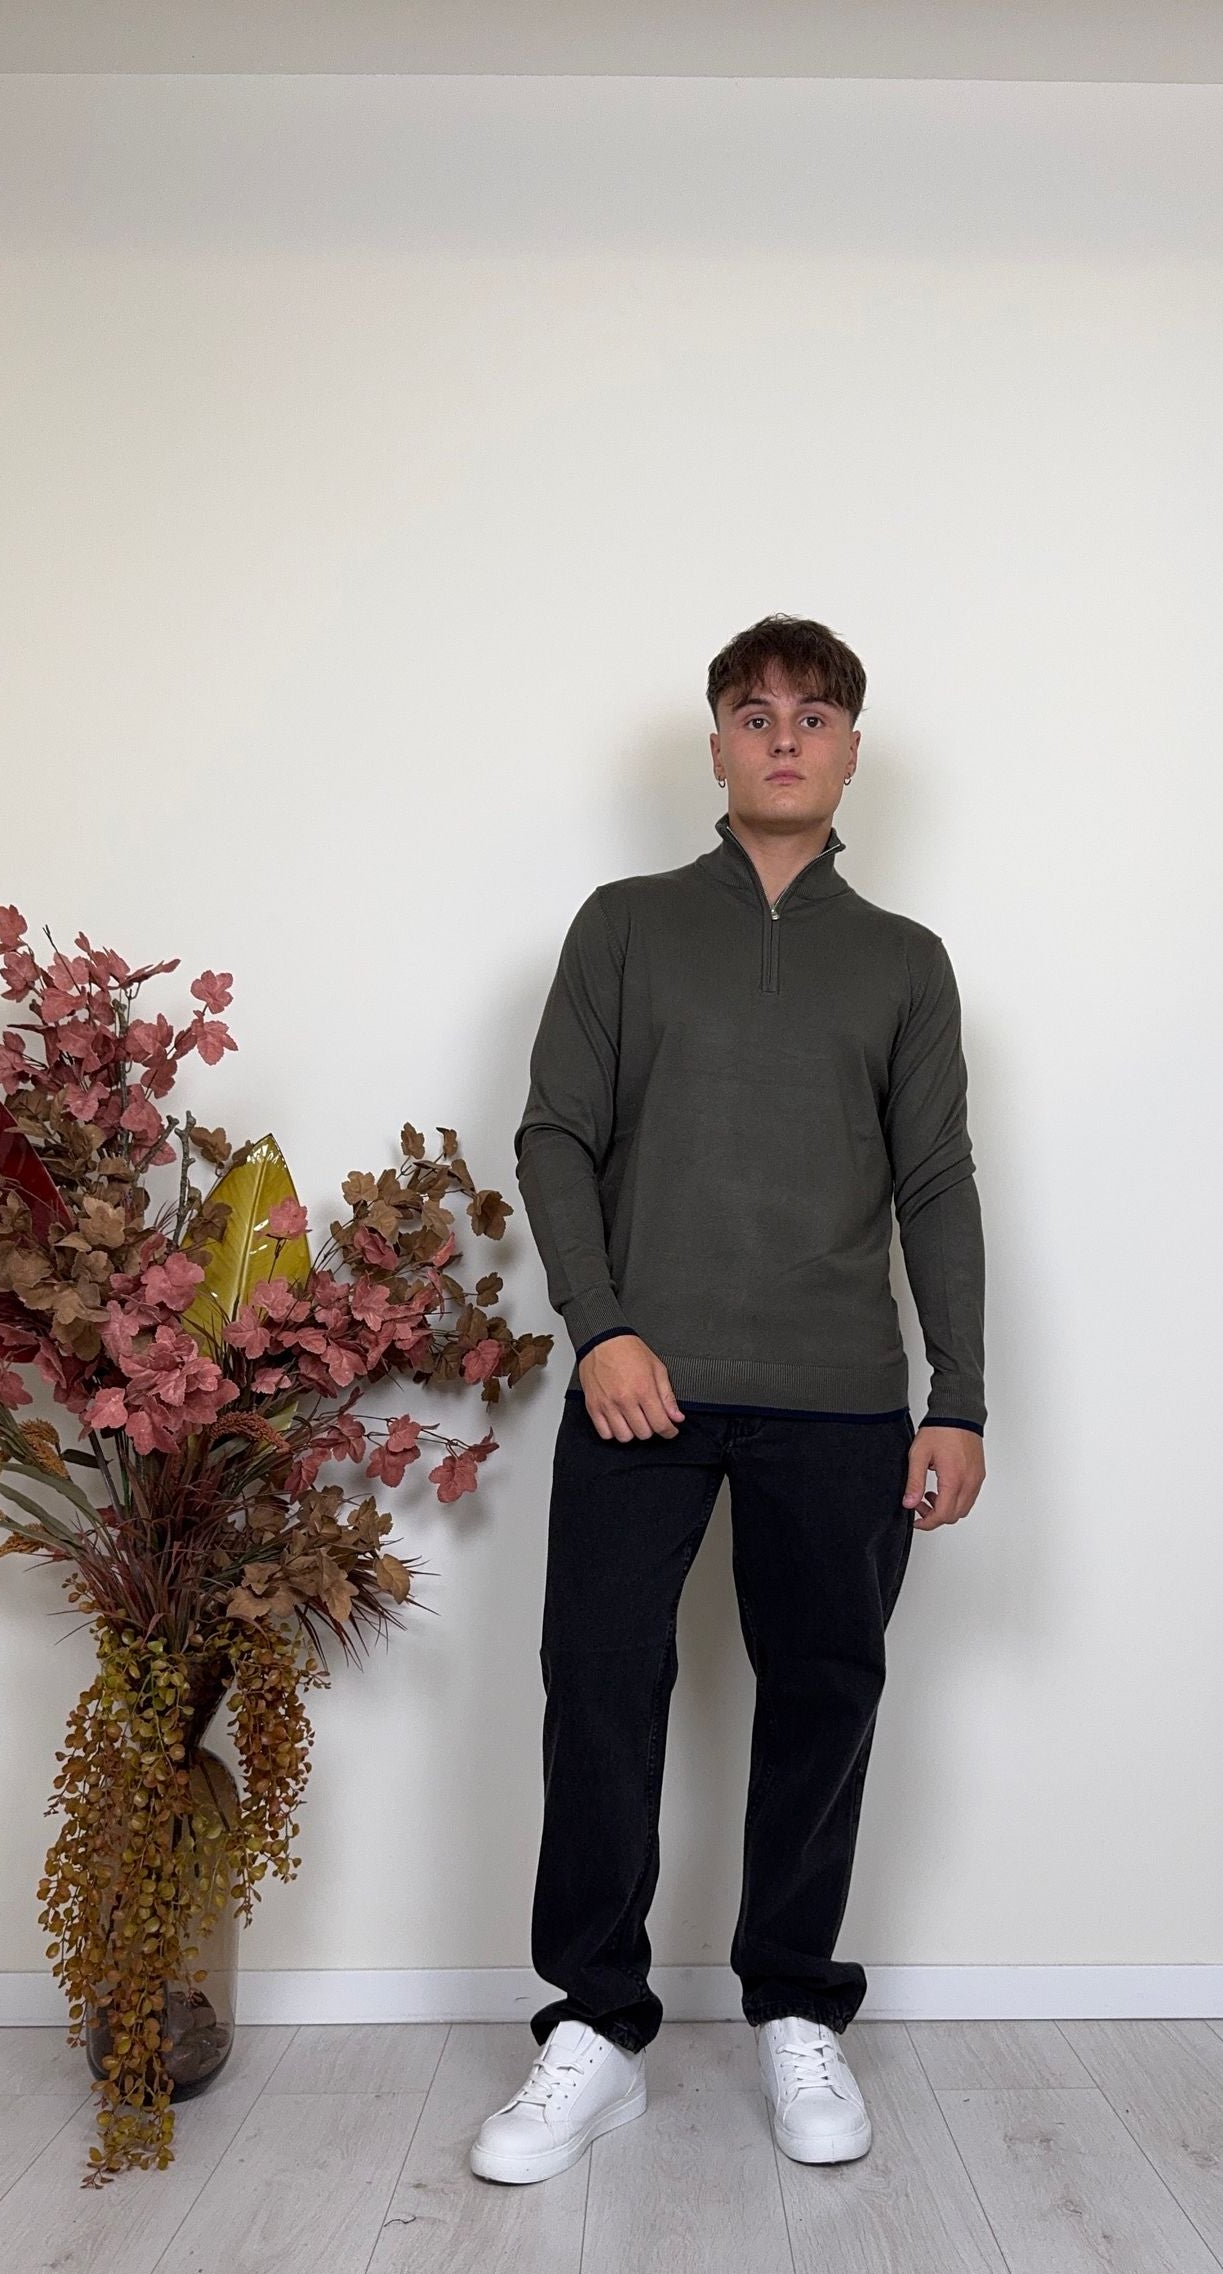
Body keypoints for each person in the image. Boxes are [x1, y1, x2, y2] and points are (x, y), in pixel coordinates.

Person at [470, 613, 986, 2184]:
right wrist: (604, 1328)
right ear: (715, 744)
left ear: (850, 751)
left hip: (842, 1396)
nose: (783, 738)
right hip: (644, 1382)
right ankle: (594, 2027)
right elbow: (554, 1137)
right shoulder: (626, 927)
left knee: (825, 1696)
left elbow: (936, 1184)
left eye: (813, 716)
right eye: (754, 713)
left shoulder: (903, 961)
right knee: (599, 1686)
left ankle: (796, 2006)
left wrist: (959, 1398)